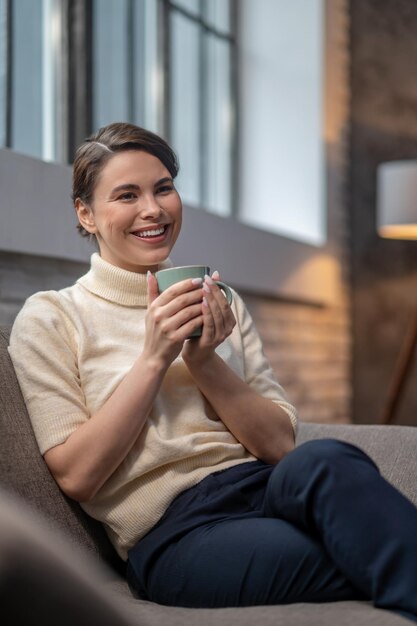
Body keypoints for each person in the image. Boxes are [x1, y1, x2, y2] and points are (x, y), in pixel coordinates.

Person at [8, 122, 417, 622]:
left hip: (267, 487)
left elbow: (280, 447)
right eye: (126, 195)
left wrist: (203, 362)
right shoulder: (52, 316)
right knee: (371, 546)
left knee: (325, 459)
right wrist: (156, 358)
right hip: (180, 532)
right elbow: (78, 475)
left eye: (164, 188)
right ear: (86, 213)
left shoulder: (221, 303)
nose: (153, 209)